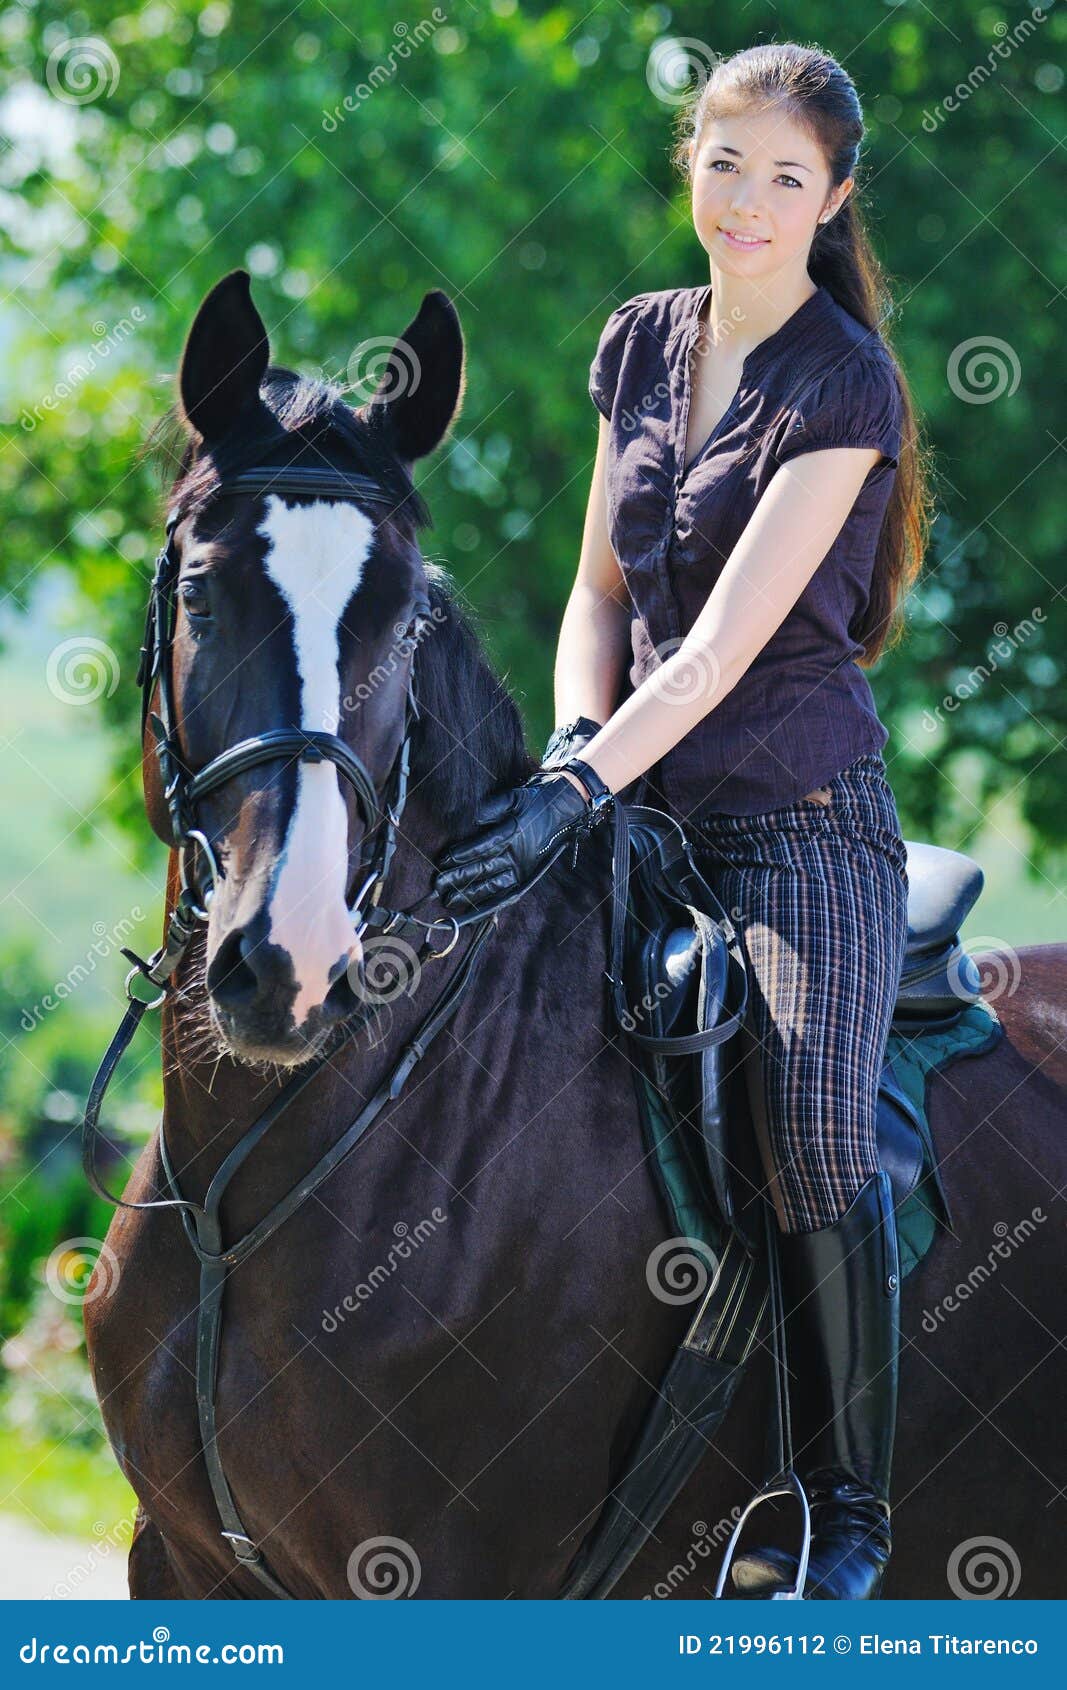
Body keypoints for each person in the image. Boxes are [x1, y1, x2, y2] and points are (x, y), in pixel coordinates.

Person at [433, 41, 931, 1600]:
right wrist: (577, 743)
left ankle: (841, 1505)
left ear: (834, 196)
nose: (749, 200)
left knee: (806, 1122)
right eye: (725, 163)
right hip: (629, 788)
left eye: (788, 176)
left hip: (796, 822)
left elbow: (717, 647)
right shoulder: (639, 341)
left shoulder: (846, 380)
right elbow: (600, 593)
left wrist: (580, 783)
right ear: (688, 167)